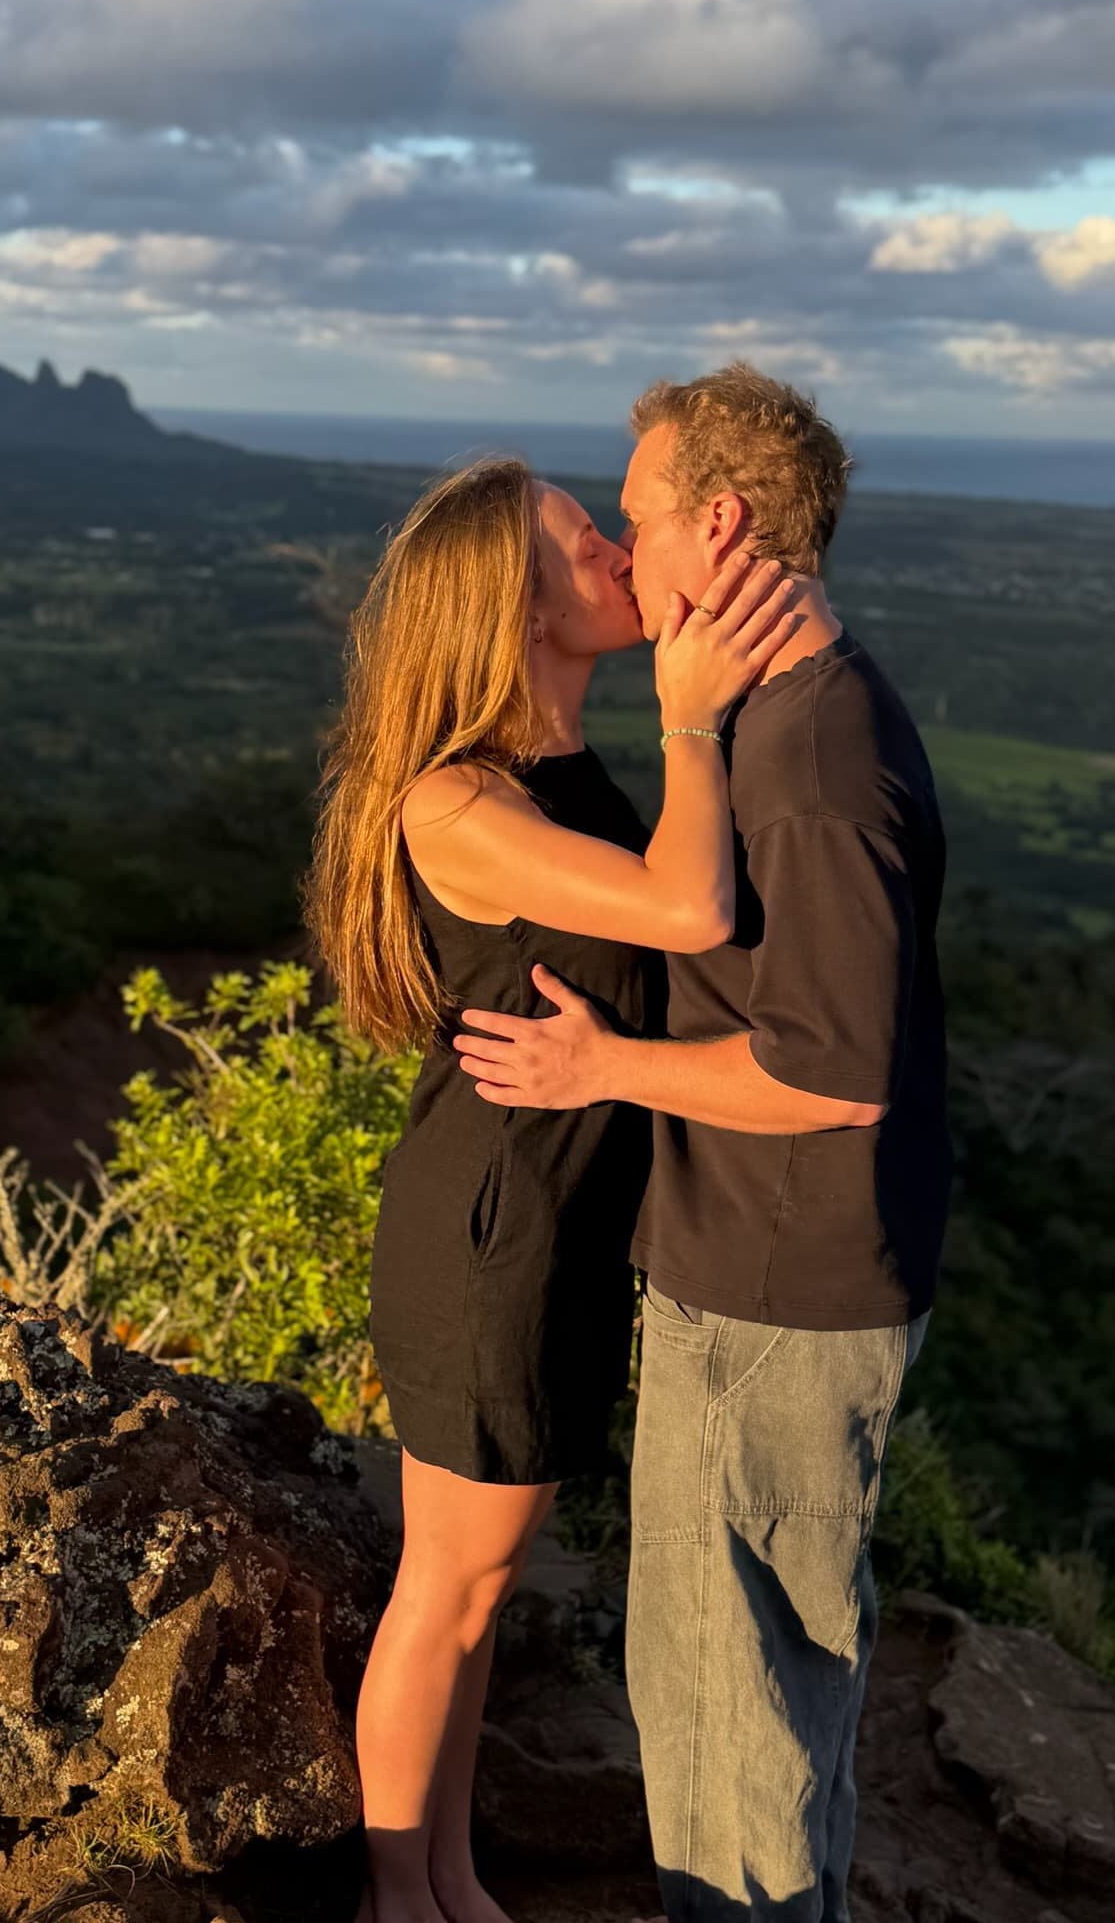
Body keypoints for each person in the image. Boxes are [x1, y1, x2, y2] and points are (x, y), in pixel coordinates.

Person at [452, 366, 950, 1923]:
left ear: (719, 522)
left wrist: (609, 1062)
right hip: (784, 1268)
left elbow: (831, 1079)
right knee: (766, 1690)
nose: (624, 544)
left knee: (728, 1714)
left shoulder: (806, 756)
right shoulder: (789, 716)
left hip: (771, 1282)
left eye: (642, 511)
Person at [306, 455, 799, 1923]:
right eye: (584, 541)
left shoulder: (564, 772)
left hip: (551, 1218)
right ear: (514, 606)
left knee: (479, 1590)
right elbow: (690, 906)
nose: (612, 550)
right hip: (492, 1227)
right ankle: (407, 1901)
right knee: (447, 1590)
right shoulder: (456, 805)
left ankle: (455, 1883)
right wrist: (697, 717)